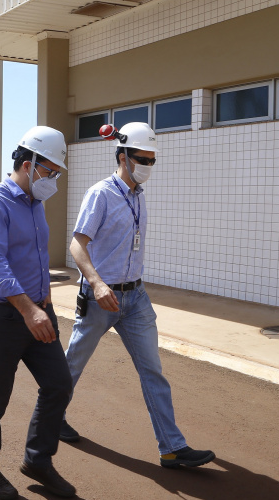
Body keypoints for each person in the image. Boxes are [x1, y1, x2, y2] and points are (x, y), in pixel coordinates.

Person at [62, 122, 215, 469]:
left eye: (151, 160)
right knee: (71, 366)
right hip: (101, 299)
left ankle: (172, 448)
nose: (147, 166)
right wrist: (97, 284)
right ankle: (47, 423)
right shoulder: (101, 194)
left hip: (136, 299)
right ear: (122, 157)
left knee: (153, 372)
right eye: (141, 159)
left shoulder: (138, 197)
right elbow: (77, 244)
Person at [0, 126, 76, 500]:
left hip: (38, 312)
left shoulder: (34, 204)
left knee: (58, 383)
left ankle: (37, 460)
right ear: (28, 165)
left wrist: (41, 306)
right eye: (50, 171)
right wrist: (30, 310)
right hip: (3, 315)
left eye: (56, 173)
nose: (53, 180)